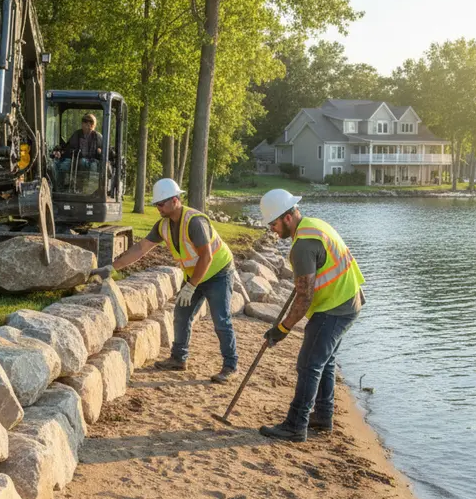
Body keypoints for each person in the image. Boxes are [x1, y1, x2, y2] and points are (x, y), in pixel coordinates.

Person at [94, 178, 238, 383]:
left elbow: (206, 256)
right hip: (195, 275)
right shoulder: (163, 226)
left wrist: (191, 286)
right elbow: (140, 249)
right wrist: (111, 267)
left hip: (218, 273)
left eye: (161, 203)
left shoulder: (195, 222)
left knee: (221, 321)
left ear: (176, 200)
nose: (158, 208)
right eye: (156, 204)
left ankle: (231, 366)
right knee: (181, 314)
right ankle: (179, 358)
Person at [257, 189, 365, 442]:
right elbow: (309, 285)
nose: (272, 229)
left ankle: (296, 425)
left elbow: (304, 298)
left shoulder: (303, 246)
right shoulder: (314, 225)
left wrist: (282, 329)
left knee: (308, 364)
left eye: (273, 223)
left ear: (287, 217)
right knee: (324, 361)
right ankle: (323, 416)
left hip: (335, 307)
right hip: (349, 300)